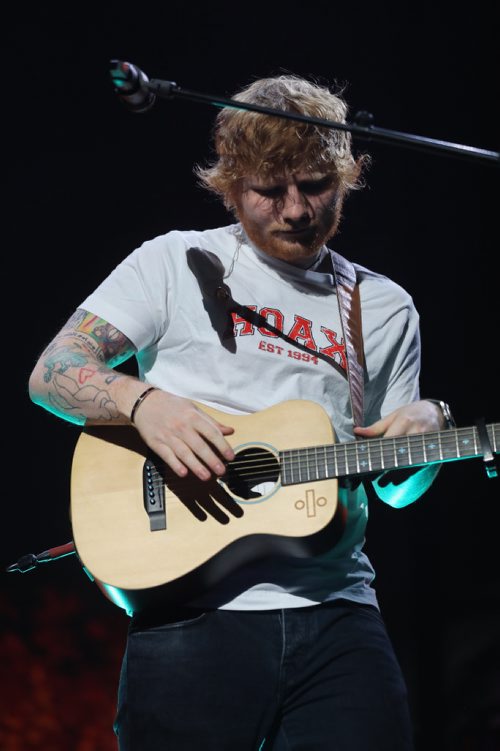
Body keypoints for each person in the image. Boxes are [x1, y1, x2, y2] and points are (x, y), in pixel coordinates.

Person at [28, 74, 454, 750]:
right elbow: (51, 372)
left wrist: (429, 422)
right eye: (269, 189)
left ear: (348, 175)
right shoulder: (174, 261)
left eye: (316, 185)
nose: (295, 211)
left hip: (339, 611)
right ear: (229, 186)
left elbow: (397, 489)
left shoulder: (384, 304)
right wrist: (142, 401)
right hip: (189, 611)